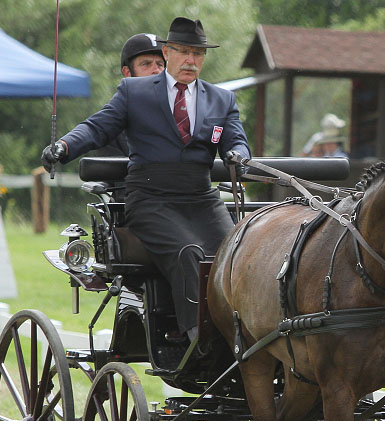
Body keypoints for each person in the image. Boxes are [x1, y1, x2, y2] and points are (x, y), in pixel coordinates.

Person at [42, 16, 251, 342]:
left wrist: (239, 155)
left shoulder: (221, 99)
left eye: (197, 53)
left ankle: (243, 332)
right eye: (183, 51)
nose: (190, 60)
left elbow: (235, 140)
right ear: (167, 52)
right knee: (188, 252)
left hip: (201, 198)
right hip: (151, 199)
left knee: (234, 253)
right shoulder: (134, 92)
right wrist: (64, 145)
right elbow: (98, 127)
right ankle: (198, 337)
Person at [96, 33, 167, 158]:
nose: (156, 70)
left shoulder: (182, 115)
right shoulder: (113, 126)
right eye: (146, 64)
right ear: (128, 73)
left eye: (160, 64)